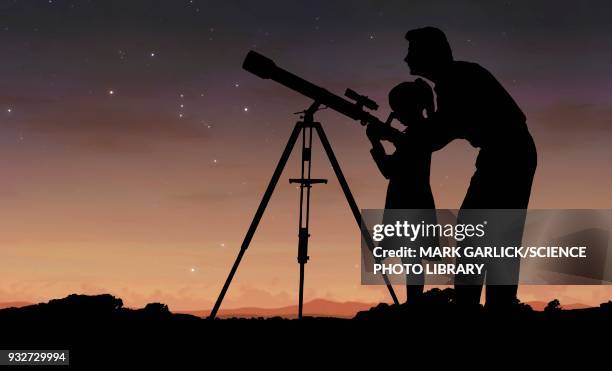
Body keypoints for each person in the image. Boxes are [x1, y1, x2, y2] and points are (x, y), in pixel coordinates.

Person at [402, 27, 537, 310]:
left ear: (429, 54)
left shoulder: (455, 80)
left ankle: (477, 308)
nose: (406, 59)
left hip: (507, 155)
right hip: (506, 154)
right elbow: (443, 129)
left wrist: (422, 118)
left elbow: (439, 135)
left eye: (412, 52)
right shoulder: (457, 78)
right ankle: (488, 305)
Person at [366, 79, 438, 304]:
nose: (396, 115)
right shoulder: (420, 132)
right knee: (412, 259)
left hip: (407, 202)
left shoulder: (415, 135)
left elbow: (389, 170)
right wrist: (391, 138)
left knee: (412, 259)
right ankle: (413, 304)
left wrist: (376, 143)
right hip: (416, 201)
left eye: (398, 110)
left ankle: (413, 305)